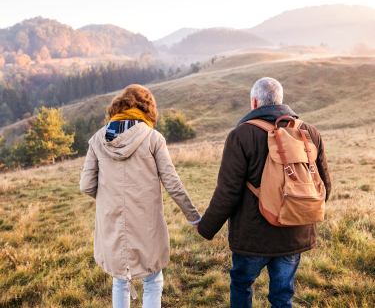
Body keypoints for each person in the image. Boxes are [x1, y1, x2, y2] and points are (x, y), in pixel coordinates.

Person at [197, 77, 331, 308]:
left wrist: (205, 228)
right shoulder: (310, 132)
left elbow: (228, 192)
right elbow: (324, 187)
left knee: (241, 284)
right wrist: (298, 210)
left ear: (254, 103)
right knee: (282, 296)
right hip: (294, 232)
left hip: (252, 237)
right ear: (280, 100)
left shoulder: (240, 135)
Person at [79, 84, 201, 308]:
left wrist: (111, 197)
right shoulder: (153, 138)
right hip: (147, 224)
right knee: (153, 280)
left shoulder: (97, 139)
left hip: (112, 223)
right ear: (148, 108)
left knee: (119, 281)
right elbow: (173, 184)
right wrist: (194, 217)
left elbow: (86, 185)